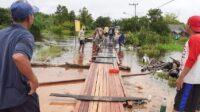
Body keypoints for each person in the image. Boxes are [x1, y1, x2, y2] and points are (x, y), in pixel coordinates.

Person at [0, 1, 40, 112]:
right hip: (19, 99)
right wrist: (33, 79)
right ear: (29, 17)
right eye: (33, 14)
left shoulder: (1, 33)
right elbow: (19, 57)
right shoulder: (25, 35)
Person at [173, 16, 200, 112]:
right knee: (189, 108)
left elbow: (192, 59)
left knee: (179, 108)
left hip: (189, 81)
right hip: (194, 81)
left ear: (189, 25)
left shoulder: (195, 38)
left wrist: (181, 77)